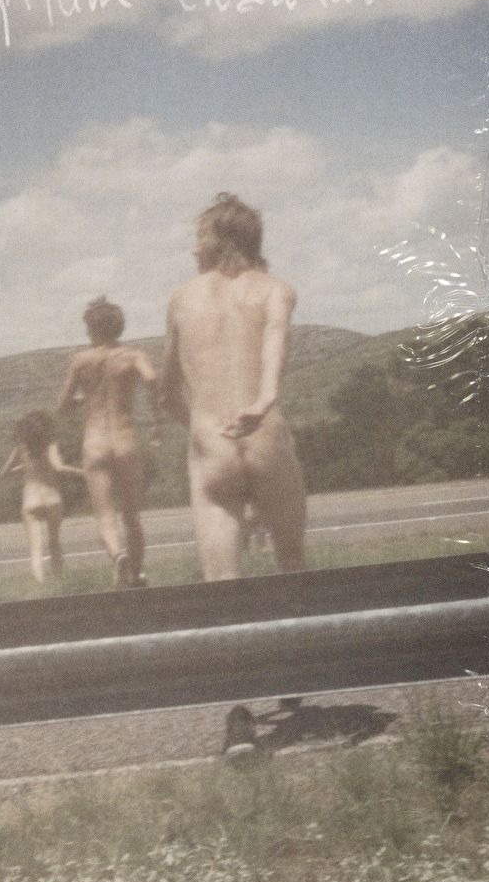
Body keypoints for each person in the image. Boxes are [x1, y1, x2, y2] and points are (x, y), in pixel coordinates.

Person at [162, 191, 306, 581]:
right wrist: (264, 399)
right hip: (267, 440)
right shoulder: (276, 289)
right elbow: (275, 337)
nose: (194, 249)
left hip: (213, 448)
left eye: (200, 238)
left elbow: (168, 390)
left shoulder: (181, 298)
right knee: (293, 568)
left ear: (220, 241)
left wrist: (200, 426)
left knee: (222, 587)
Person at [57, 296, 160, 588]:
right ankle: (137, 574)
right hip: (125, 440)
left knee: (104, 515)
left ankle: (118, 556)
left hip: (96, 441)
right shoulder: (133, 355)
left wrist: (83, 398)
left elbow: (62, 406)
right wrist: (156, 421)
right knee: (132, 516)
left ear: (92, 328)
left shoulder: (81, 360)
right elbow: (151, 379)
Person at [1, 410, 84, 582]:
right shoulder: (50, 445)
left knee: (36, 548)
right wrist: (83, 472)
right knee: (54, 543)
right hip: (52, 498)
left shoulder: (21, 449)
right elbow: (59, 467)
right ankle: (60, 580)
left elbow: (4, 473)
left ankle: (41, 584)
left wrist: (24, 467)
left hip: (31, 500)